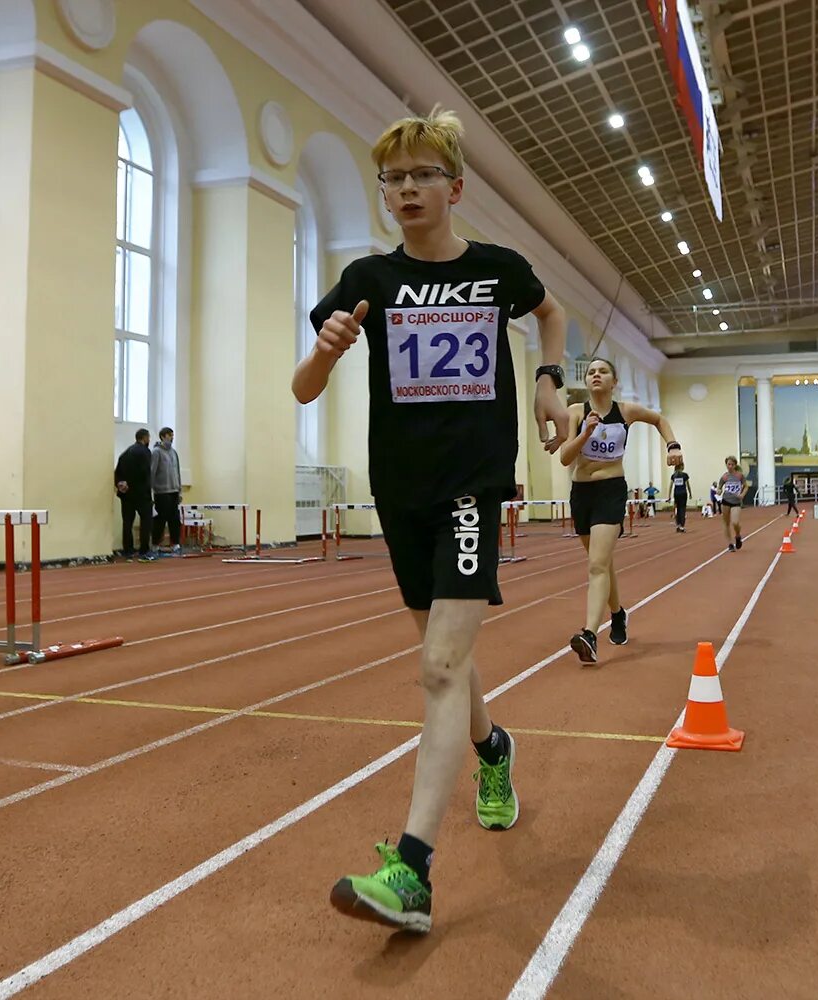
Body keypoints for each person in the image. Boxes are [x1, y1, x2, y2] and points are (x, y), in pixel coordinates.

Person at [292, 107, 570, 934]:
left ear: (455, 186)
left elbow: (551, 313)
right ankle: (493, 752)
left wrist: (547, 383)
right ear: (385, 195)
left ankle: (411, 870)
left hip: (470, 487)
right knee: (441, 656)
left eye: (422, 176)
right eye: (394, 179)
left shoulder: (497, 271)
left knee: (442, 666)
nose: (408, 189)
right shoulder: (367, 280)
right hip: (400, 490)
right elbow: (304, 389)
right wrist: (328, 350)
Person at [557, 358, 683, 663]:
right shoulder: (575, 413)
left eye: (603, 371)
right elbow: (564, 458)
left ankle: (589, 634)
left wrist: (673, 445)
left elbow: (660, 420)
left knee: (597, 565)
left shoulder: (626, 411)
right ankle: (617, 613)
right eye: (591, 372)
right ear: (586, 382)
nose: (596, 375)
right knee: (601, 563)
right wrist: (585, 433)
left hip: (611, 491)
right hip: (582, 492)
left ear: (614, 382)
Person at [113, 429, 154, 561]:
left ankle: (128, 551)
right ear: (145, 438)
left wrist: (122, 485)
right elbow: (146, 473)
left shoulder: (125, 453)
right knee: (146, 522)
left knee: (127, 522)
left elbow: (117, 472)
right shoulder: (145, 452)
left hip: (126, 494)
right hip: (141, 493)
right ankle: (144, 551)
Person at [151, 427, 183, 554]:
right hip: (161, 492)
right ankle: (155, 544)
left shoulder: (174, 453)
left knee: (174, 519)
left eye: (173, 435)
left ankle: (175, 543)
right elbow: (152, 472)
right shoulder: (156, 452)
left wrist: (179, 491)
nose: (172, 438)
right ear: (163, 436)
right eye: (170, 435)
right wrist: (151, 492)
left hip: (174, 491)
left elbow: (178, 472)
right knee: (160, 520)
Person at [716, 457, 750, 552]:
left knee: (735, 522)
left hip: (736, 502)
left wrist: (742, 495)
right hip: (726, 501)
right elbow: (719, 488)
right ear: (726, 465)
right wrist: (718, 491)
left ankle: (738, 535)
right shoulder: (724, 477)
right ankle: (730, 544)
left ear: (735, 465)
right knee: (726, 524)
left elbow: (746, 486)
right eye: (728, 464)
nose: (730, 466)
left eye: (732, 464)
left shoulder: (739, 476)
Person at [670, 465, 691, 533]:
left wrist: (669, 495)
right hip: (683, 494)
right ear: (682, 467)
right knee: (682, 510)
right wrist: (690, 493)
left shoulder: (673, 476)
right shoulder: (685, 475)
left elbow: (670, 486)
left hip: (676, 494)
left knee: (677, 509)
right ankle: (682, 526)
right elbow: (688, 485)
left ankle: (678, 525)